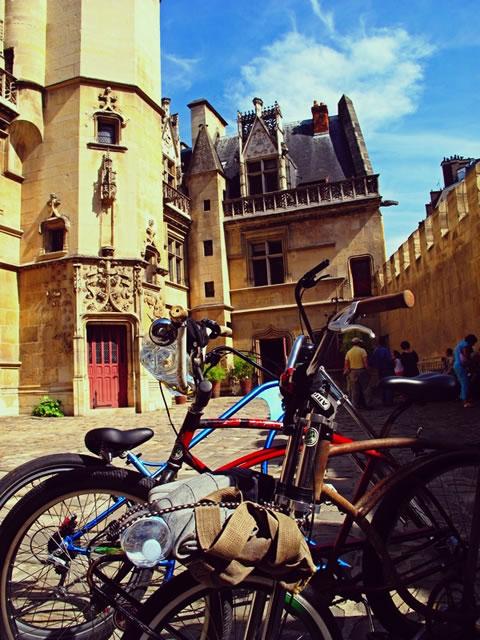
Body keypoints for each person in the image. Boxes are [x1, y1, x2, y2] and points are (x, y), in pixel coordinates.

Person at [344, 337, 373, 409]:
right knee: (366, 388)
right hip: (362, 370)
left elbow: (346, 364)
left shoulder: (349, 352)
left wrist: (348, 371)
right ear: (359, 343)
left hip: (353, 372)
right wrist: (369, 371)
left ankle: (355, 405)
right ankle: (368, 404)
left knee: (354, 390)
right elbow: (366, 363)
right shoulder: (362, 351)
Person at [453, 334, 478, 408]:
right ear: (470, 340)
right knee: (465, 383)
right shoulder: (465, 344)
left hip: (457, 365)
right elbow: (466, 354)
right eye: (473, 342)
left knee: (463, 382)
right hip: (461, 365)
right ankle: (465, 402)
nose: (473, 344)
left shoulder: (459, 344)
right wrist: (472, 361)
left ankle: (461, 397)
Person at [371, 336, 395, 406]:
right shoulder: (385, 350)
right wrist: (393, 361)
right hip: (387, 369)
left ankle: (383, 400)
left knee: (382, 385)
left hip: (379, 370)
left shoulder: (375, 351)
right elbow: (388, 360)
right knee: (389, 385)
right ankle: (389, 401)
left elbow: (373, 361)